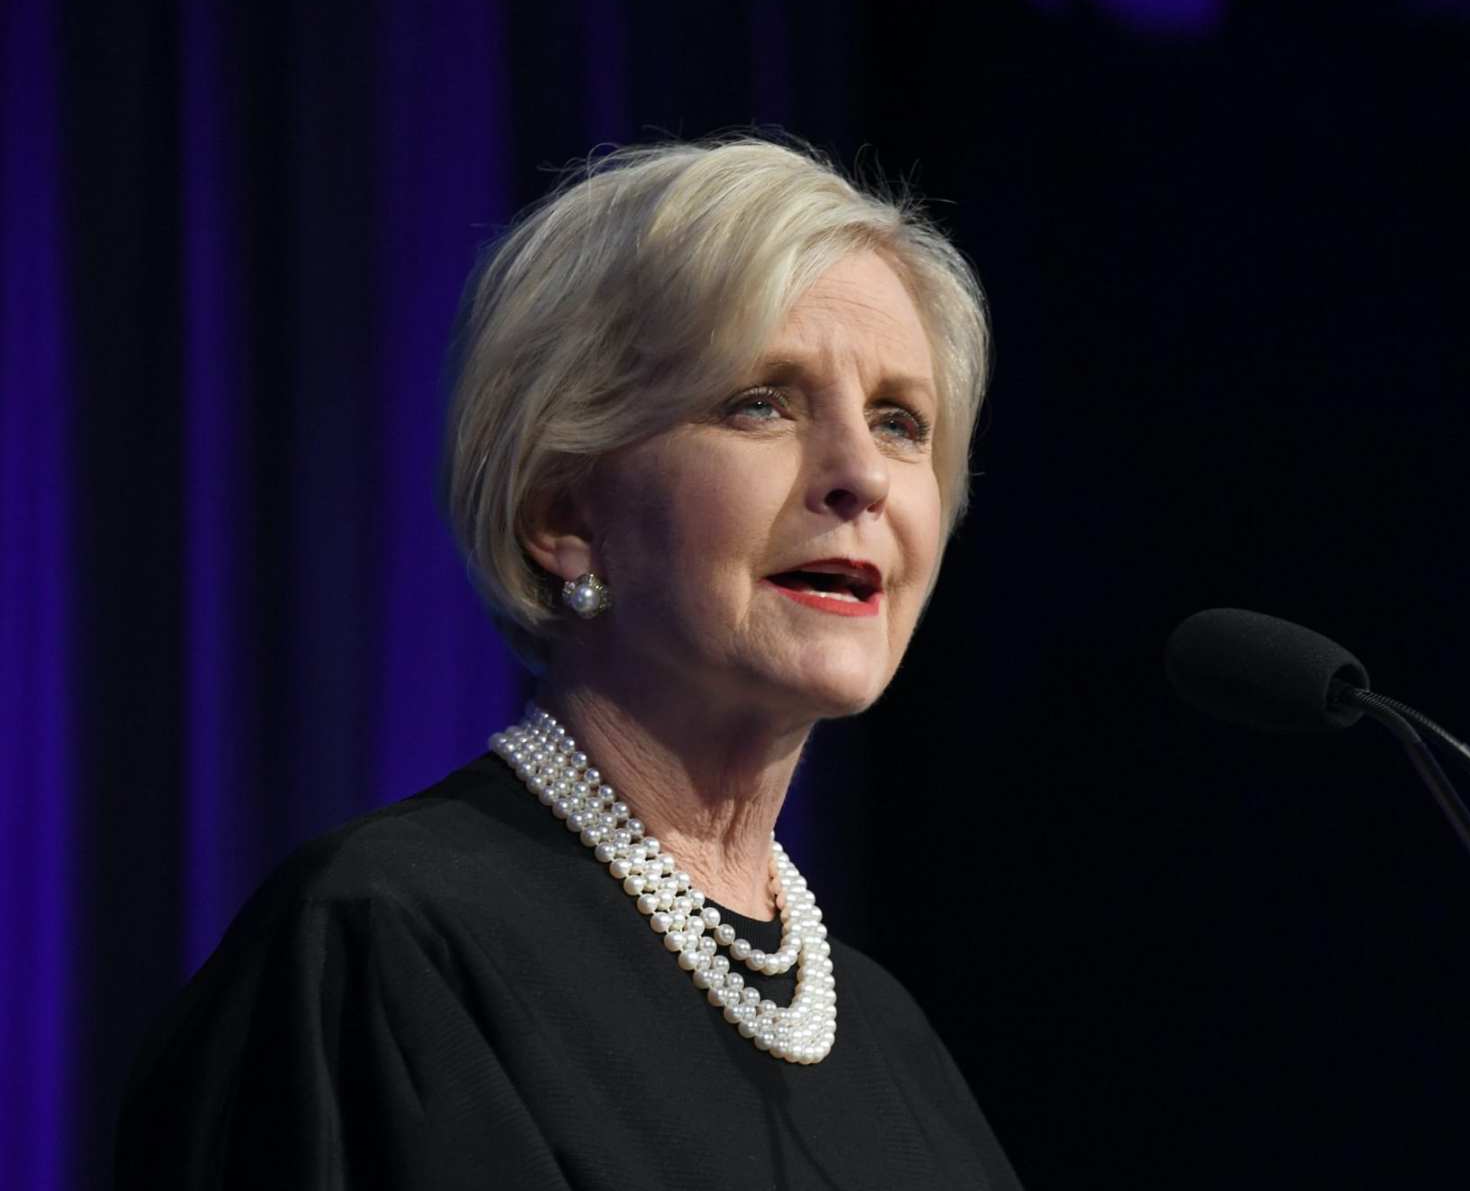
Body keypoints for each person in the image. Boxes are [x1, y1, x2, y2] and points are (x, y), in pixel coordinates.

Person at [115, 135, 1021, 1188]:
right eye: (761, 400)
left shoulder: (889, 1042)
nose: (861, 474)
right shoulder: (390, 945)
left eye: (901, 421)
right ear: (562, 511)